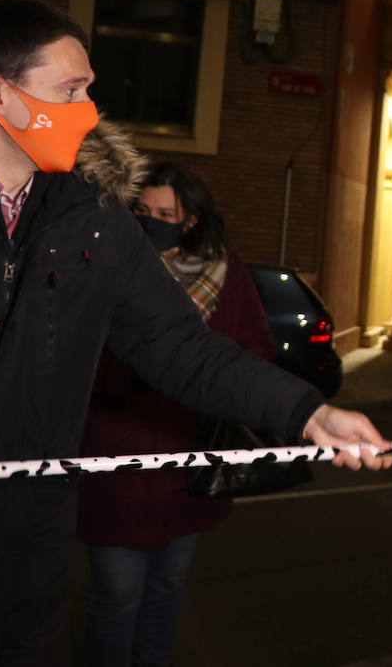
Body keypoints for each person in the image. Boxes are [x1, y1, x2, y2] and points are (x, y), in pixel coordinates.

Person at [0, 0, 391, 667]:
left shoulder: (93, 221)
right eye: (70, 90)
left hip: (26, 578)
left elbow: (183, 348)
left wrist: (306, 412)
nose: (90, 111)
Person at [76, 161, 280, 667]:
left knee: (167, 585)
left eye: (167, 213)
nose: (153, 221)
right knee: (118, 592)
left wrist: (210, 374)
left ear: (191, 220)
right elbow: (70, 359)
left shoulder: (225, 275)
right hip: (118, 460)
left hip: (193, 462)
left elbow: (256, 350)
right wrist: (138, 369)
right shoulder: (105, 267)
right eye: (143, 210)